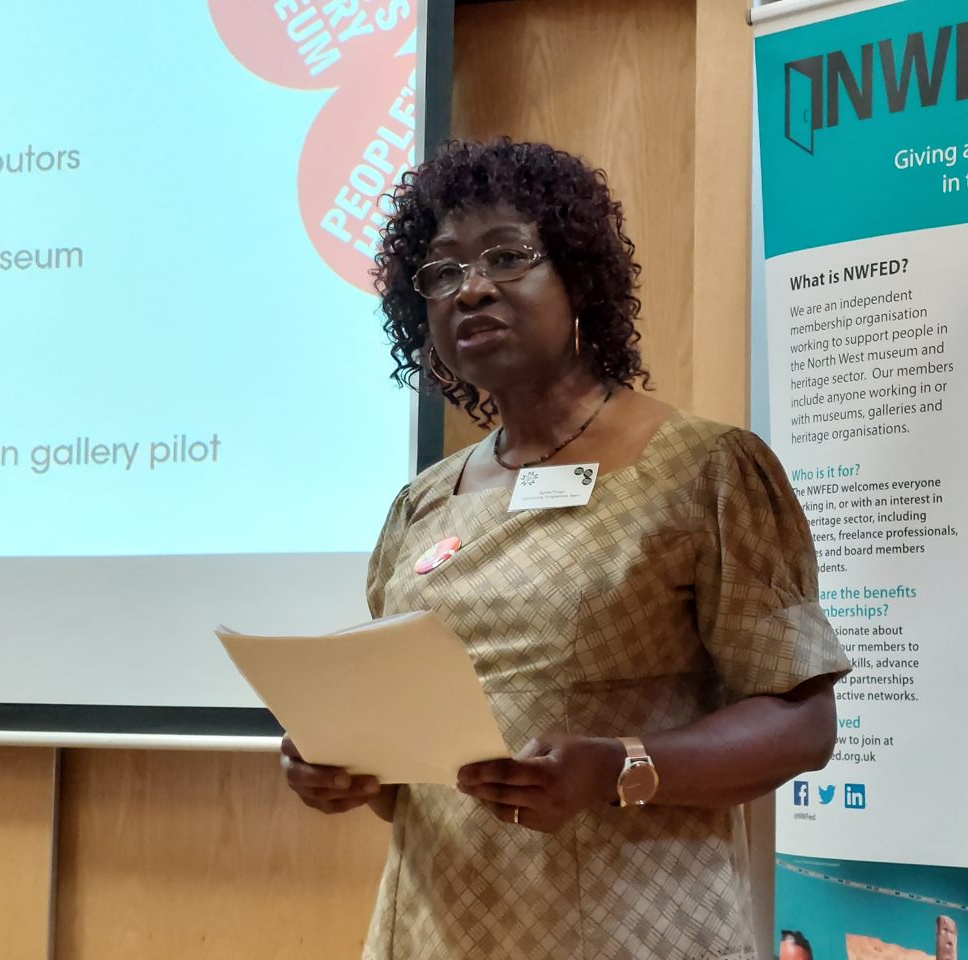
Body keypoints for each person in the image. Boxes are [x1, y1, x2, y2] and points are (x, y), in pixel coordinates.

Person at [278, 139, 849, 960]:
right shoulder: (421, 505)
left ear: (579, 276)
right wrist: (343, 768)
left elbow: (802, 723)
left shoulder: (702, 470)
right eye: (440, 273)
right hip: (434, 929)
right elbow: (413, 772)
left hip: (631, 929)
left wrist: (618, 768)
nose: (470, 287)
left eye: (506, 257)